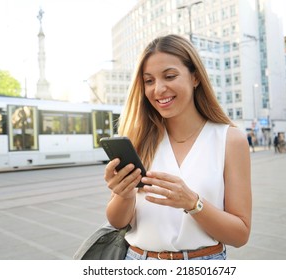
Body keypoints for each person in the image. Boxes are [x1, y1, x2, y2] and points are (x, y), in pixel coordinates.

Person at [103, 34, 251, 260]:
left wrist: (193, 203)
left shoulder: (230, 140)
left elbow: (240, 235)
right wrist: (123, 194)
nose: (158, 89)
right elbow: (117, 221)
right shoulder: (139, 139)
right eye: (149, 81)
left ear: (195, 77)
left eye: (170, 76)